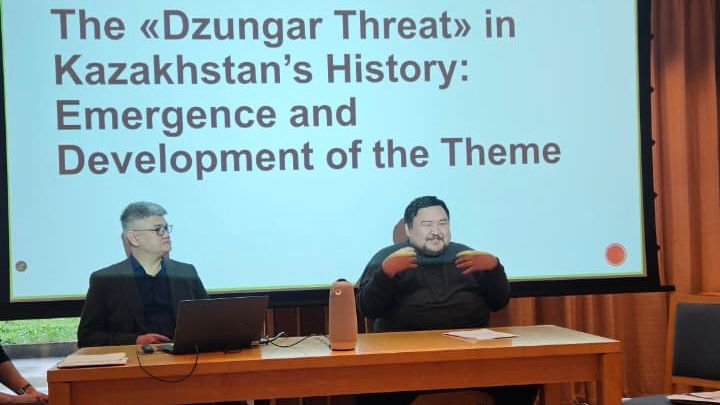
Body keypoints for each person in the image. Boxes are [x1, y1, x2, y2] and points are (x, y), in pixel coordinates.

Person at [356, 195, 537, 405]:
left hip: (470, 358)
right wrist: (385, 273)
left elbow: (498, 302)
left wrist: (494, 268)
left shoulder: (469, 257)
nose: (436, 231)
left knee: (524, 379)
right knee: (369, 388)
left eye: (442, 223)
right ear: (408, 229)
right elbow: (367, 308)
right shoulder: (387, 258)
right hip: (405, 360)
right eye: (427, 224)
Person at [77, 201, 209, 348]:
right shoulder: (105, 280)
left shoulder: (187, 273)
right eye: (158, 230)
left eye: (166, 228)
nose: (166, 235)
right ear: (134, 238)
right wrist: (136, 340)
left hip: (183, 358)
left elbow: (209, 322)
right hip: (133, 359)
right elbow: (87, 337)